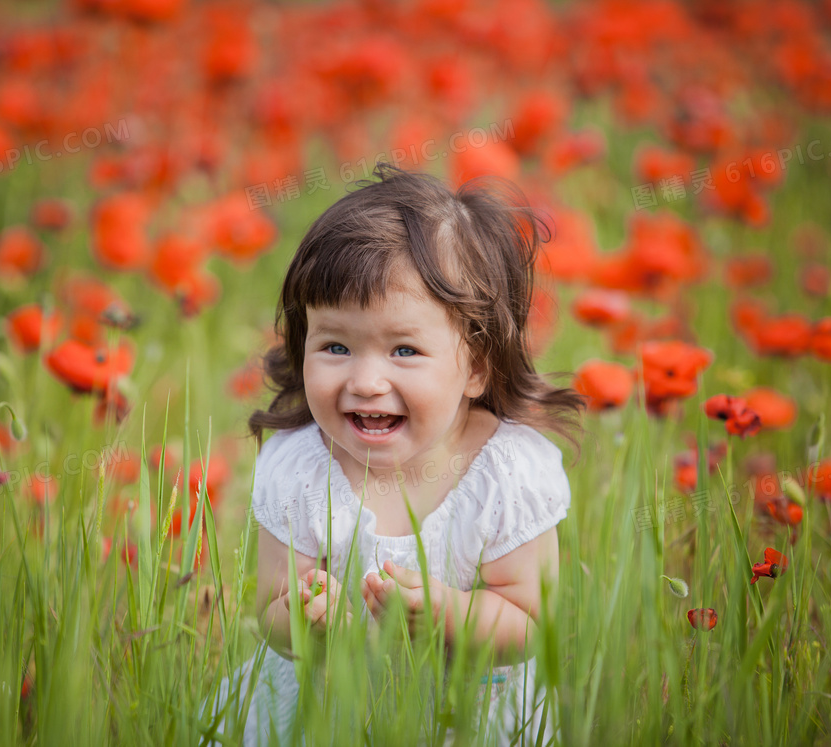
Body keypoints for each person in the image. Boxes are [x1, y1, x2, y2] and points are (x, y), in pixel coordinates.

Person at [207, 163, 582, 745]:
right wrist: (307, 619)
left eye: (404, 350)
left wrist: (447, 614)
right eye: (335, 345)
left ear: (477, 365)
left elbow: (532, 622)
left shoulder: (508, 474)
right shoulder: (301, 469)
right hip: (322, 715)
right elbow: (269, 611)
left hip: (468, 722)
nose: (365, 380)